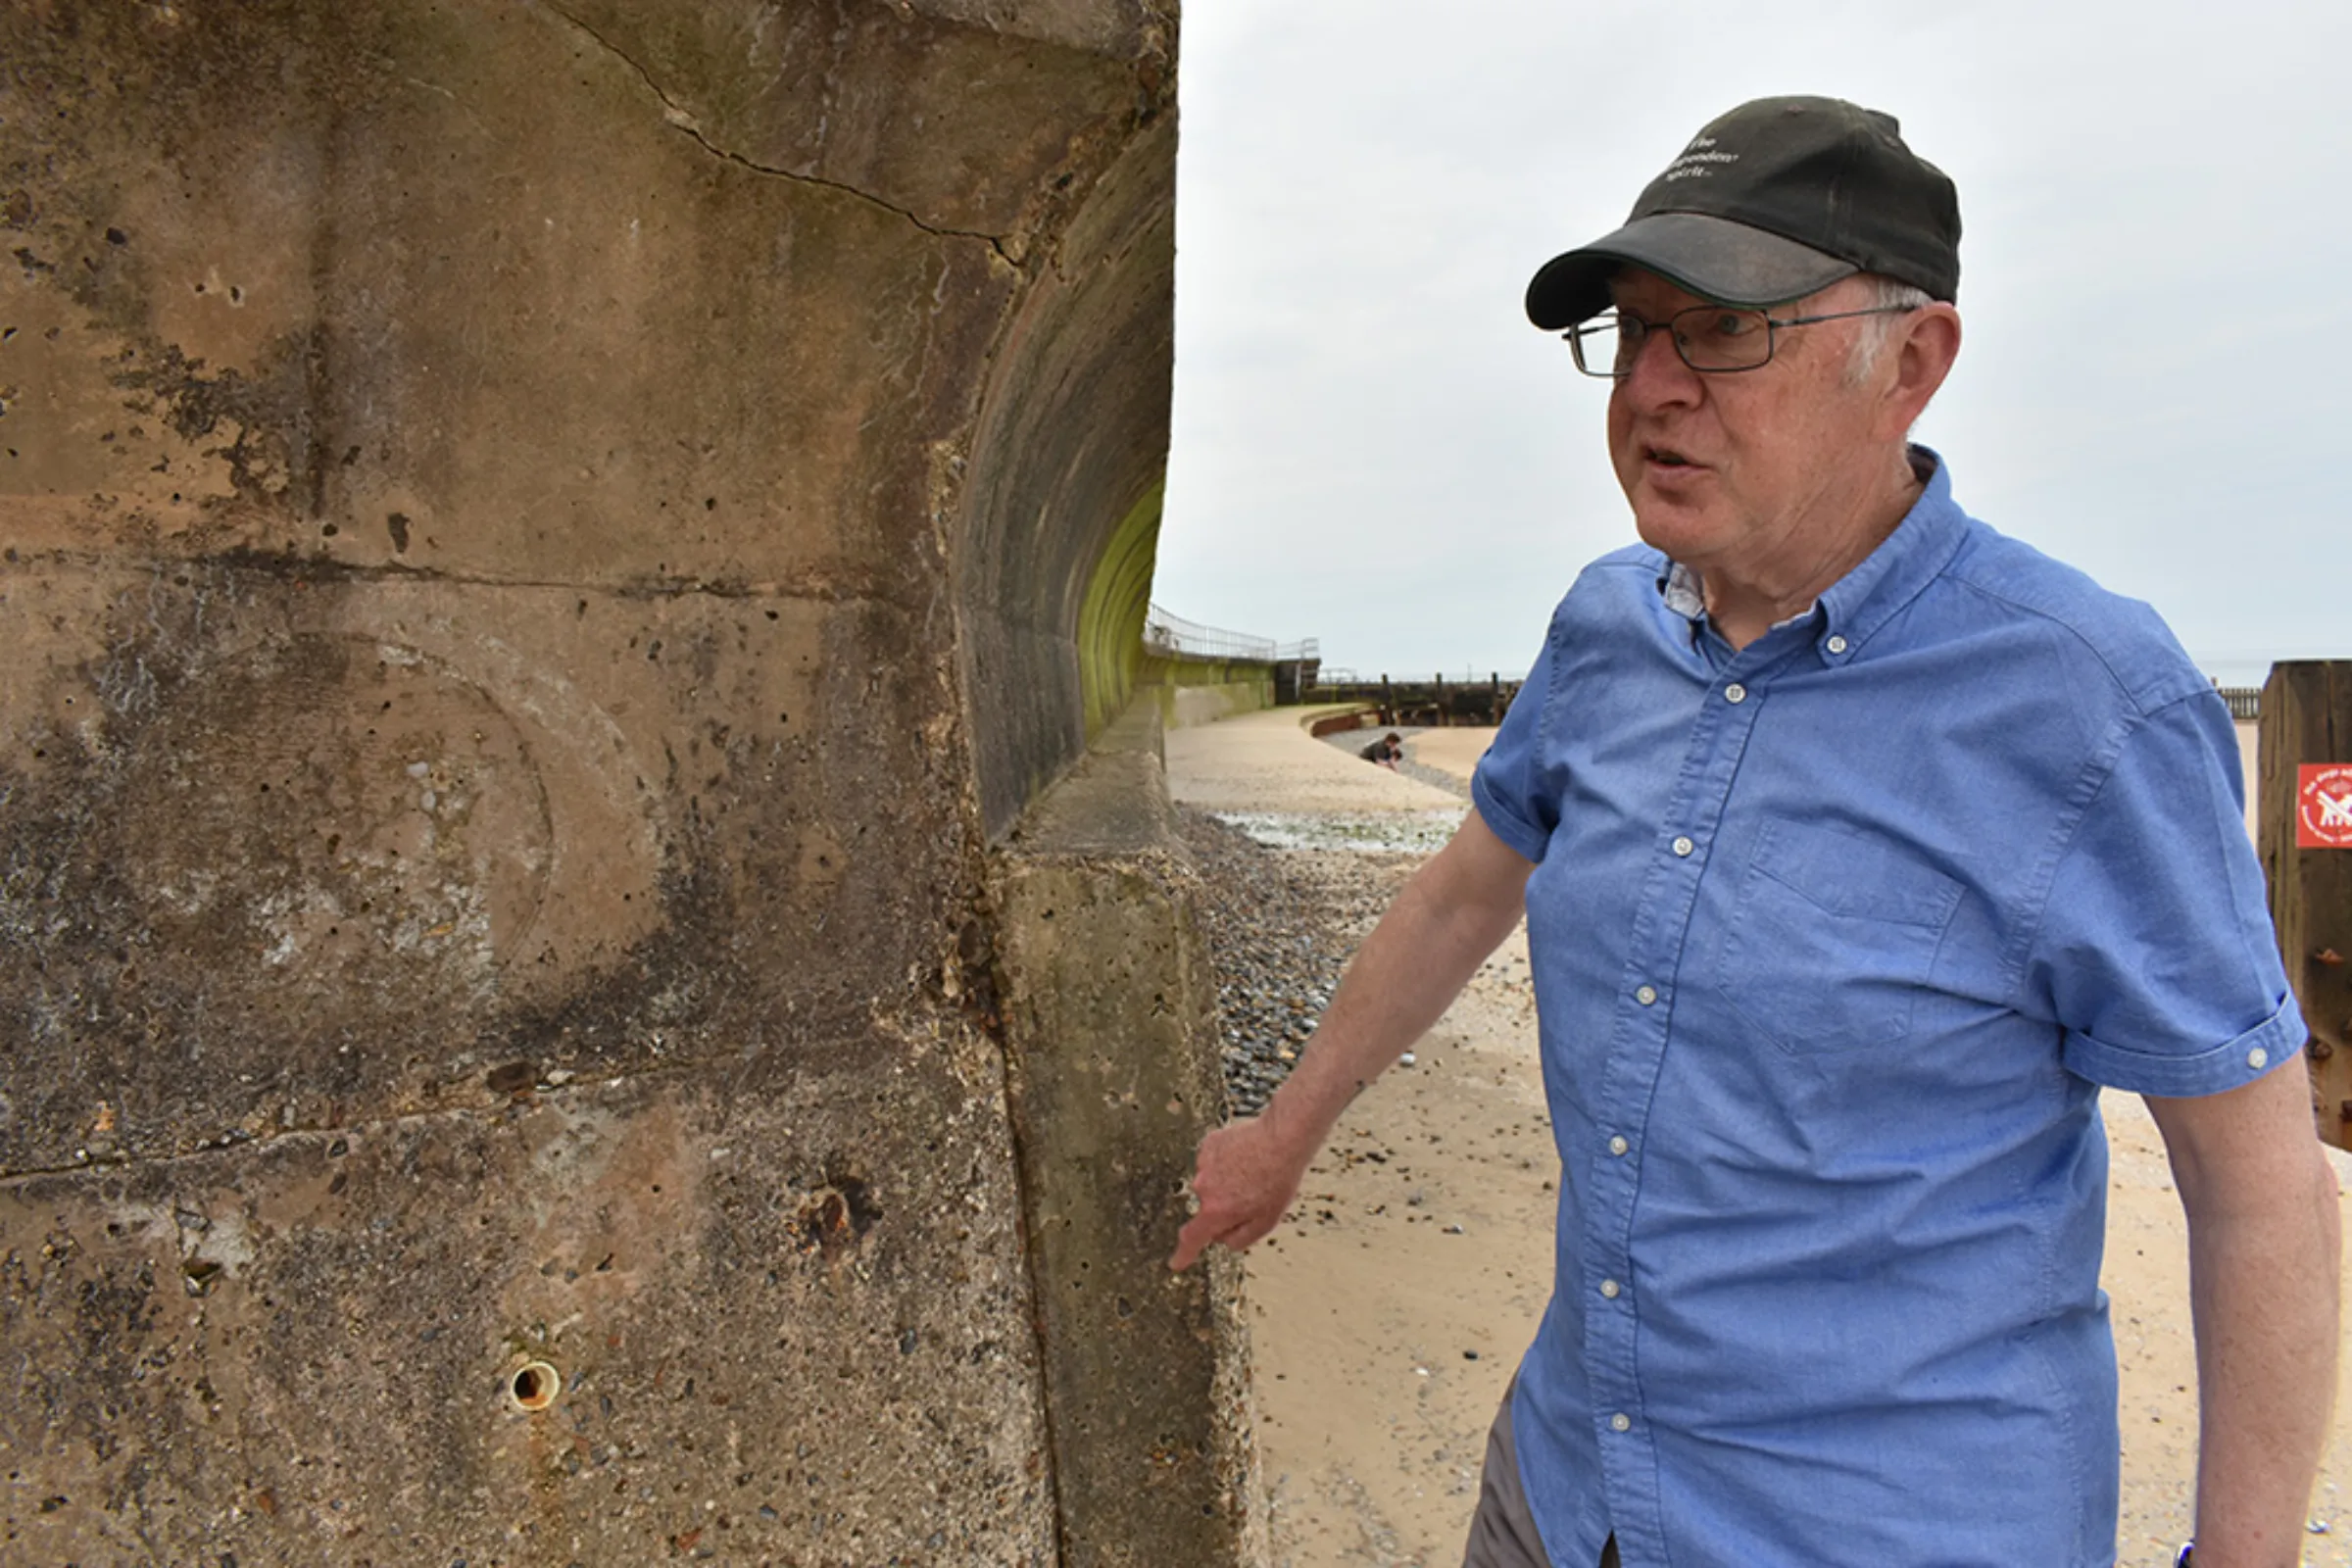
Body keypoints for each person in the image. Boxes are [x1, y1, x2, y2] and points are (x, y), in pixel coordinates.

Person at [1169, 96, 2340, 1568]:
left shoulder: (2088, 702)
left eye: (1724, 329)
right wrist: (1284, 1134)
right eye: (1634, 329)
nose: (1654, 386)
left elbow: (2260, 1188)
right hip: (1563, 1493)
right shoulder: (1606, 627)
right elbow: (1467, 891)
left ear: (1911, 362)